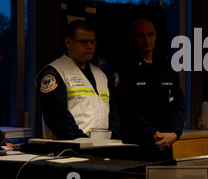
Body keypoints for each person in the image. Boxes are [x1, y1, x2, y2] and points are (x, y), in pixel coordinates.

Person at [109, 17, 185, 162]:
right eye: (141, 35)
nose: (146, 39)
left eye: (150, 34)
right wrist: (153, 133)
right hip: (136, 149)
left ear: (156, 35)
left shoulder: (166, 69)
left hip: (166, 147)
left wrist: (175, 133)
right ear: (132, 37)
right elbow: (126, 110)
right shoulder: (123, 71)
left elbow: (178, 105)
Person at [36, 20, 110, 140]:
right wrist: (82, 141)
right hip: (67, 148)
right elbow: (57, 117)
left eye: (92, 42)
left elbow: (113, 116)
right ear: (68, 42)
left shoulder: (100, 75)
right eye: (83, 42)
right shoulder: (54, 73)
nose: (89, 46)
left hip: (102, 147)